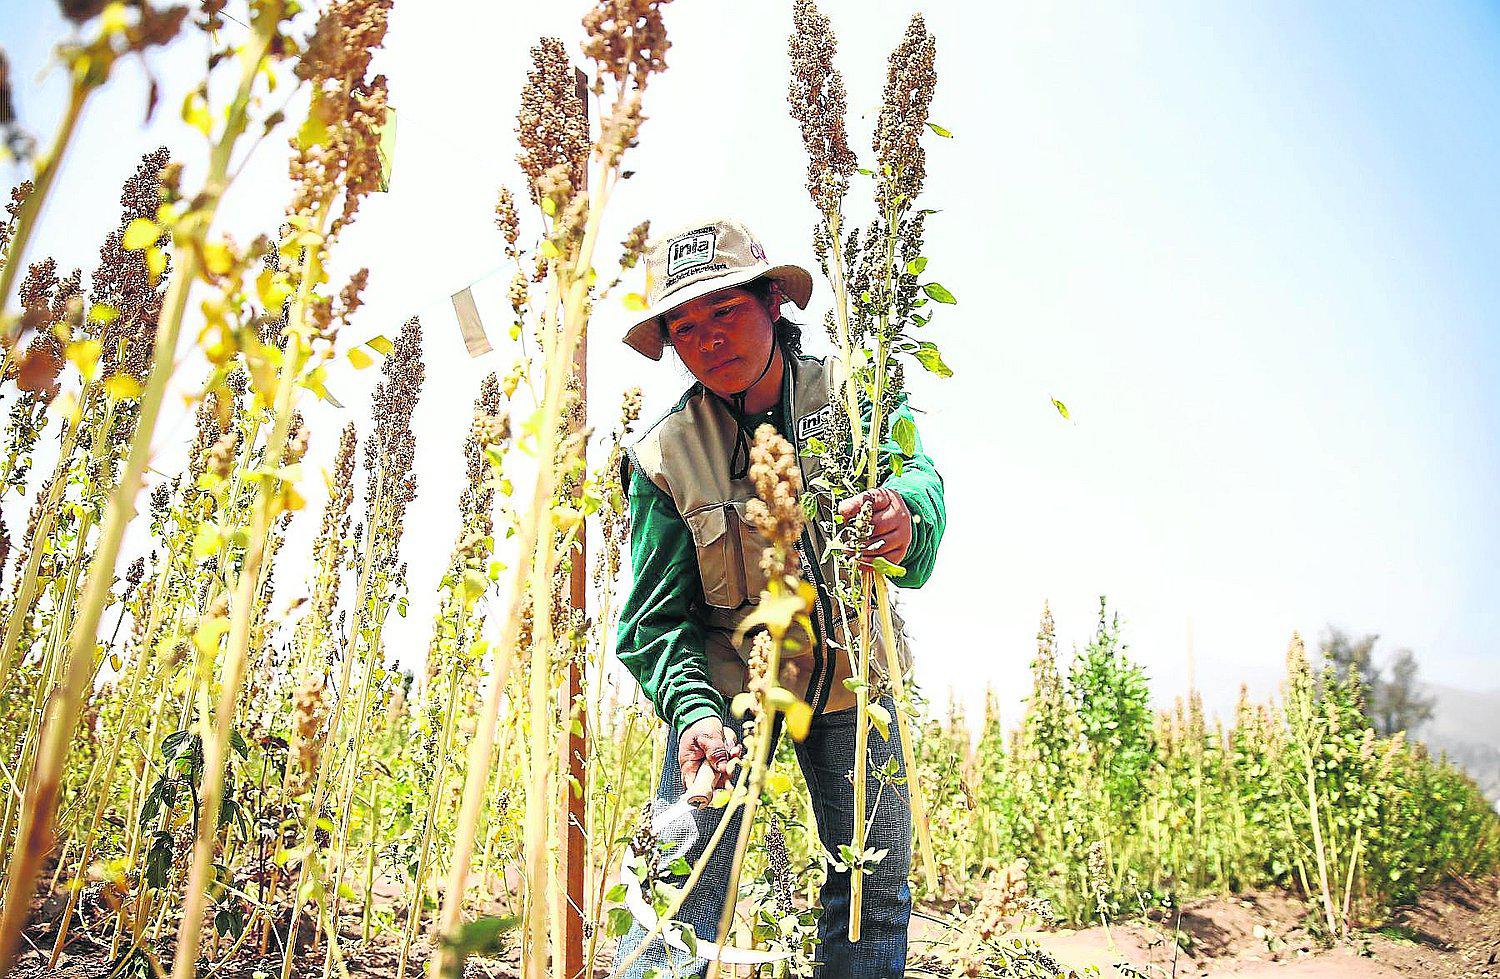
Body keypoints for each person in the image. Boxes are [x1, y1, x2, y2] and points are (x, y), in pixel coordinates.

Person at [612, 217, 946, 978]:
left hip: (851, 687)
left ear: (772, 303)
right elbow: (652, 620)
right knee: (679, 896)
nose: (708, 339)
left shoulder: (857, 396)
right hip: (728, 697)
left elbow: (920, 484)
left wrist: (903, 513)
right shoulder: (664, 454)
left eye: (725, 312)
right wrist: (695, 713)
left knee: (872, 894)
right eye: (684, 326)